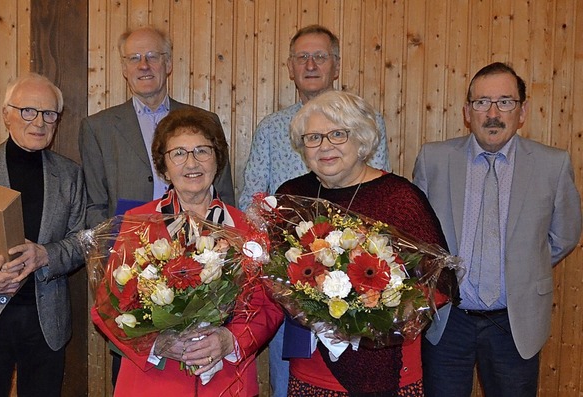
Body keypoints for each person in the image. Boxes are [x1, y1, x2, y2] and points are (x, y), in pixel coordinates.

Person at [238, 25, 390, 396]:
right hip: (292, 287)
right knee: (289, 385)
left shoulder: (366, 122)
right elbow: (249, 203)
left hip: (355, 283)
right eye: (301, 57)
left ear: (335, 66)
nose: (310, 64)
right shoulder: (272, 128)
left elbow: (378, 199)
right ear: (290, 68)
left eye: (319, 56)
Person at [413, 62, 582, 396]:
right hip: (448, 319)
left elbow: (564, 237)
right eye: (481, 103)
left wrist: (523, 270)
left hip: (514, 323)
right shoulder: (434, 160)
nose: (493, 113)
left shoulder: (552, 164)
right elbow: (418, 237)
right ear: (467, 111)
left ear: (522, 111)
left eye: (505, 102)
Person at [79, 26, 236, 382]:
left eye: (153, 56)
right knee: (144, 376)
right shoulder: (97, 127)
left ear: (168, 64)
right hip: (135, 271)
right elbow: (94, 204)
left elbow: (224, 194)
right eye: (134, 58)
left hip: (203, 265)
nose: (144, 64)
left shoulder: (203, 120)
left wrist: (224, 264)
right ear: (123, 67)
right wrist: (114, 273)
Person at [91, 108, 283, 396]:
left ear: (217, 160)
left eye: (202, 151)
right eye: (178, 153)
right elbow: (107, 307)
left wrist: (231, 340)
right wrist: (158, 343)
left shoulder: (246, 228)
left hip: (228, 382)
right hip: (152, 382)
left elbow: (269, 305)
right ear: (164, 167)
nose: (191, 163)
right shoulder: (135, 223)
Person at [275, 90, 453, 396]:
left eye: (338, 134)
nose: (325, 146)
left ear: (362, 139)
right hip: (315, 369)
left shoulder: (400, 198)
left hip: (390, 363)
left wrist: (381, 313)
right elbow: (275, 274)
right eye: (313, 137)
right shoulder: (292, 196)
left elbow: (441, 282)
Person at [0, 73, 86, 396]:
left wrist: (47, 254)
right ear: (6, 114)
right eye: (28, 111)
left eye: (49, 114)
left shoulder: (70, 174)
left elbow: (82, 241)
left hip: (45, 322)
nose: (39, 122)